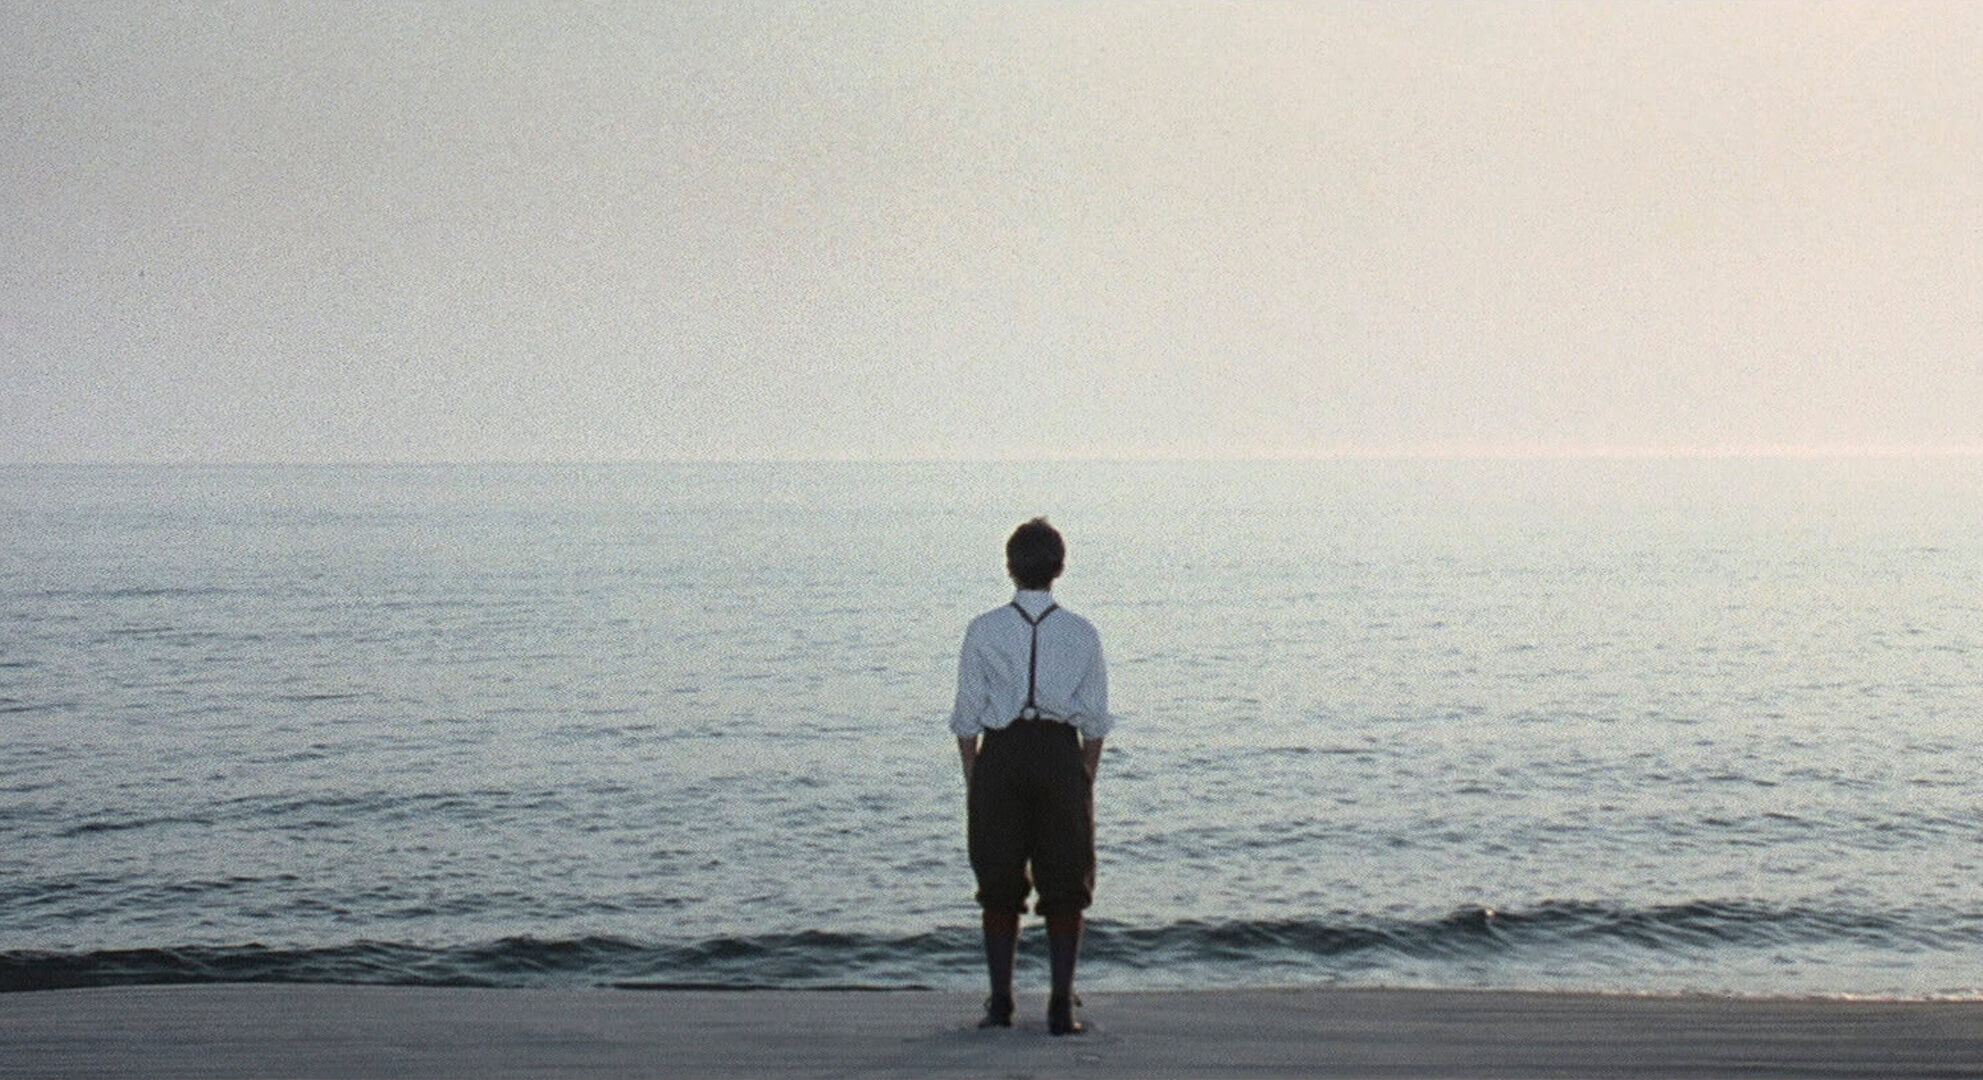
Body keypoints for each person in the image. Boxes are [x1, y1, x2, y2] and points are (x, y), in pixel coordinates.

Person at [949, 517, 1112, 1035]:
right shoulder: (1082, 632)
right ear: (1059, 568)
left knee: (997, 878)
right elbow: (1095, 718)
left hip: (1002, 753)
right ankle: (1061, 1007)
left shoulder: (984, 629)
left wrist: (976, 774)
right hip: (1059, 754)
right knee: (1067, 879)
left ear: (1010, 567)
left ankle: (1001, 1004)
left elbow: (967, 715)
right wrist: (1083, 776)